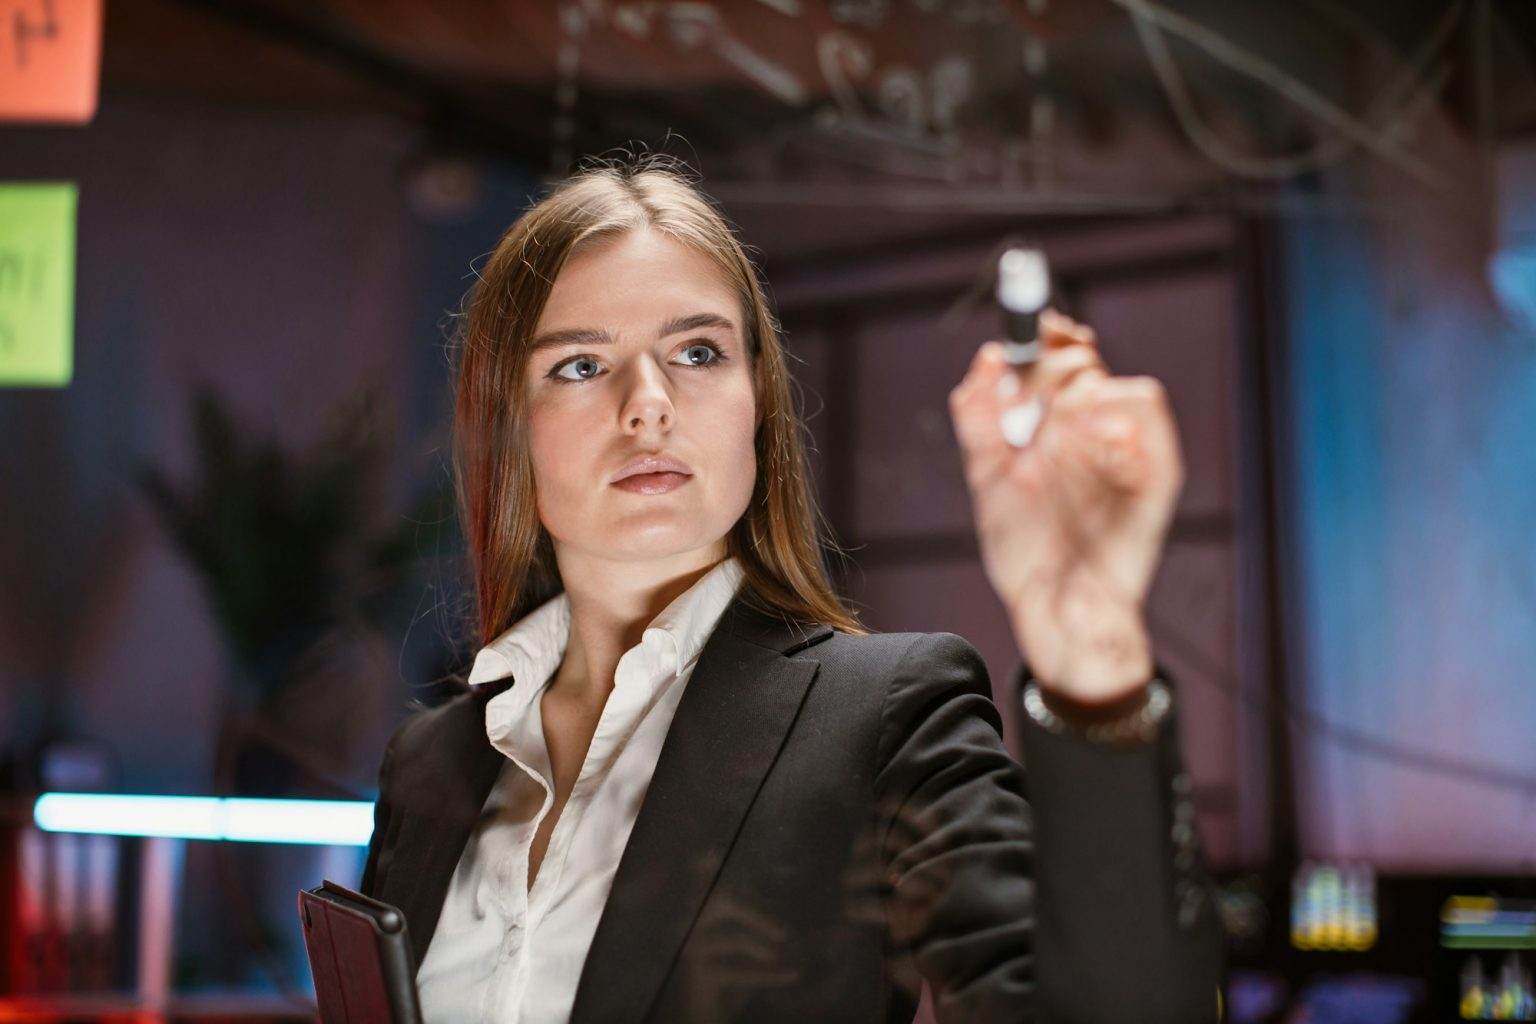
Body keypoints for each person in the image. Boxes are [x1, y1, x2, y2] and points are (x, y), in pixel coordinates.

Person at [359, 154, 1225, 1023]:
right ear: (507, 422)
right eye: (581, 366)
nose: (648, 404)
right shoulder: (430, 763)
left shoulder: (886, 713)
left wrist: (1094, 647)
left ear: (758, 406)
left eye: (698, 352)